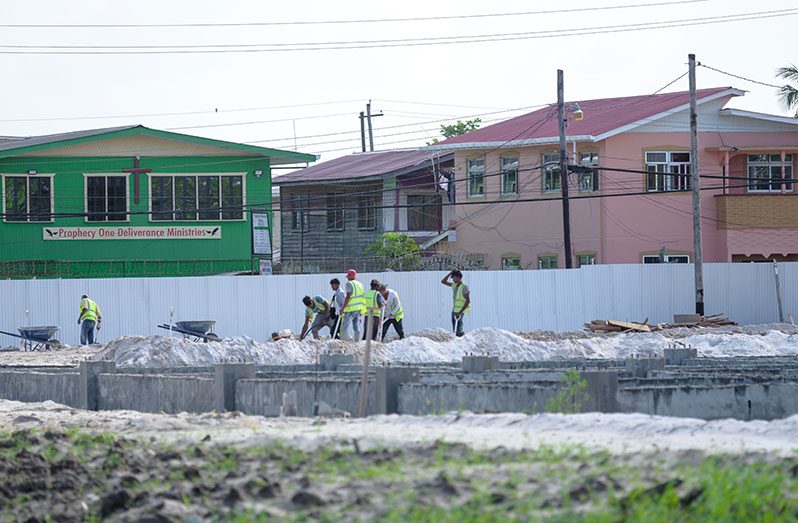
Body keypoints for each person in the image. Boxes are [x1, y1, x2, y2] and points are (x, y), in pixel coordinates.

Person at [441, 269, 470, 337]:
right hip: (455, 309)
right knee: (455, 325)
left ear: (457, 277)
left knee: (458, 327)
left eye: (453, 277)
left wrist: (460, 312)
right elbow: (443, 281)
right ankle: (461, 338)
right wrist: (450, 273)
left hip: (461, 310)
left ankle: (461, 340)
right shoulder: (454, 285)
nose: (452, 279)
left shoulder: (464, 287)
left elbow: (468, 301)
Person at [339, 269, 365, 341]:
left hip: (351, 308)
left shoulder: (349, 284)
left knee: (344, 326)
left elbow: (348, 296)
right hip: (358, 308)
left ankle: (343, 341)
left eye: (348, 276)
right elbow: (362, 297)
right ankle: (357, 341)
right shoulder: (360, 284)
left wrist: (342, 308)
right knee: (356, 326)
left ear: (350, 276)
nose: (347, 278)